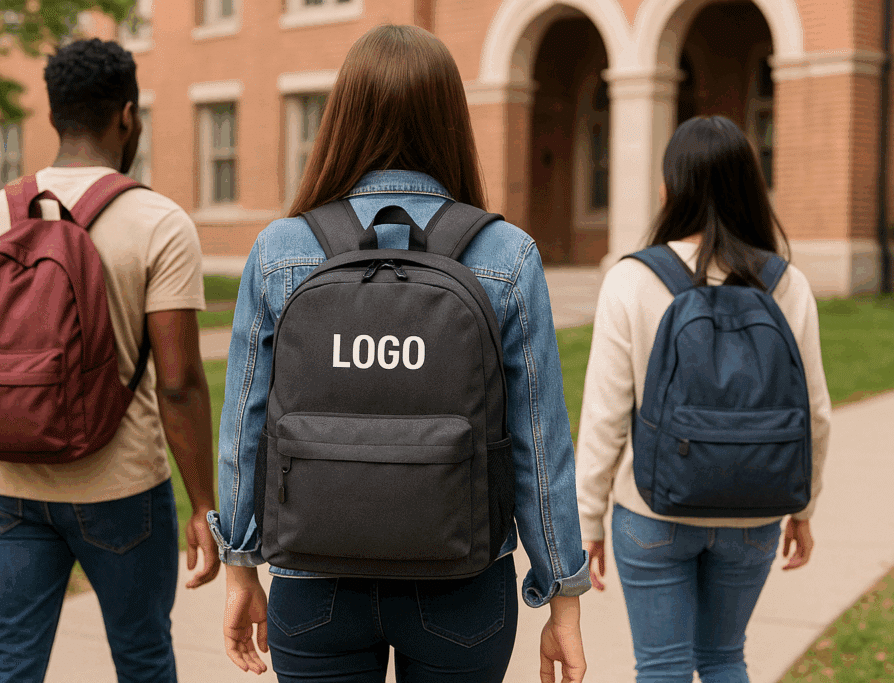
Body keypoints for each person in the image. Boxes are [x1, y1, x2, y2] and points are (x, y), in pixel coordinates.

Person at [209, 24, 590, 683]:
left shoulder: (281, 250)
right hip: (463, 583)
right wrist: (563, 594)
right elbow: (537, 439)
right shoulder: (505, 255)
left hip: (315, 575)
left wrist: (240, 562)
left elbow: (245, 423)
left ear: (340, 119)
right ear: (451, 121)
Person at [0, 38, 220, 682]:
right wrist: (203, 504)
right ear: (128, 115)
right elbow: (178, 384)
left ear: (53, 114)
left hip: (13, 482)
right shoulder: (159, 222)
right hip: (119, 485)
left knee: (11, 660)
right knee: (143, 657)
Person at [575, 115, 832, 682]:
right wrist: (804, 508)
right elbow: (814, 412)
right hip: (757, 508)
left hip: (652, 507)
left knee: (662, 667)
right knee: (723, 659)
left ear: (671, 188)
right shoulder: (786, 283)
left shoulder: (632, 279)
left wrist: (587, 520)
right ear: (750, 186)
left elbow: (605, 415)